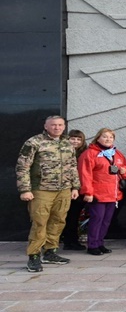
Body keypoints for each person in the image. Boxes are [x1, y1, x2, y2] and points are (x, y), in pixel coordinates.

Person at [16, 116, 81, 272]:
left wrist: (75, 187)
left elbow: (73, 167)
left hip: (63, 189)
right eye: (53, 125)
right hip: (41, 190)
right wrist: (25, 190)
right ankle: (34, 256)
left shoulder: (67, 143)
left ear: (64, 127)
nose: (57, 128)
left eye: (60, 125)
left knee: (58, 221)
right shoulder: (34, 142)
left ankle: (50, 251)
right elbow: (22, 167)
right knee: (39, 223)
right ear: (46, 126)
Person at [78, 128, 126, 256]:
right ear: (98, 138)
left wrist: (124, 170)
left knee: (106, 220)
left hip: (113, 194)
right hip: (98, 194)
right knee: (97, 219)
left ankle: (100, 243)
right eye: (105, 137)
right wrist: (88, 192)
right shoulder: (90, 153)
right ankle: (92, 245)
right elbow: (85, 174)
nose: (108, 139)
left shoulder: (116, 153)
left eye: (111, 137)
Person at [61, 129, 88, 251]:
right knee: (66, 216)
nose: (75, 141)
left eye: (78, 139)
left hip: (79, 189)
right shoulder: (62, 152)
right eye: (73, 138)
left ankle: (72, 240)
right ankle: (68, 240)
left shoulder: (84, 154)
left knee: (74, 216)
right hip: (64, 188)